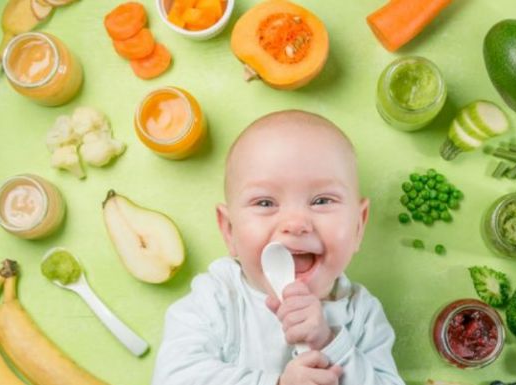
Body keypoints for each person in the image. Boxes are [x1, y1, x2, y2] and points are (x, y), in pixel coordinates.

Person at [152, 110, 405, 385]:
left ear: (358, 225)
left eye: (321, 201)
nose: (296, 224)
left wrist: (330, 343)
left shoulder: (362, 315)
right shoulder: (215, 301)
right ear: (230, 230)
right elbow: (171, 378)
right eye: (265, 203)